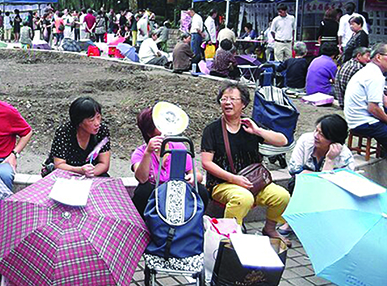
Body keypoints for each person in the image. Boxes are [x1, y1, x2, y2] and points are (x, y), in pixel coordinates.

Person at [201, 82, 291, 243]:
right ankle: (230, 239)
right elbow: (207, 163)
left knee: (282, 196)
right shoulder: (212, 129)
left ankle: (269, 228)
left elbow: (282, 141)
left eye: (233, 99)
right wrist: (234, 179)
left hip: (255, 181)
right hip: (222, 183)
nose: (227, 103)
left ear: (243, 104)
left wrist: (257, 131)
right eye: (224, 99)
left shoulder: (250, 125)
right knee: (243, 198)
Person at [279, 115, 354, 235]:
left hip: (331, 193)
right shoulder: (306, 140)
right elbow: (294, 169)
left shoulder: (344, 156)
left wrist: (329, 160)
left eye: (322, 135)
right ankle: (291, 221)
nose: (316, 136)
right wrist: (319, 177)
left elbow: (337, 186)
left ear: (334, 140)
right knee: (296, 182)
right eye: (316, 130)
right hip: (305, 185)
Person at [130, 106, 208, 216]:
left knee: (201, 190)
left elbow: (196, 174)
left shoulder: (178, 147)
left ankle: (193, 223)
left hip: (177, 191)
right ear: (149, 132)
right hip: (155, 194)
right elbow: (142, 179)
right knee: (143, 191)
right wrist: (148, 153)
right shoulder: (140, 153)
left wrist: (193, 177)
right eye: (159, 125)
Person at [47, 97, 111, 178]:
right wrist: (80, 170)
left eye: (98, 117)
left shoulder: (102, 130)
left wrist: (90, 172)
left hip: (92, 173)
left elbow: (104, 164)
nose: (97, 123)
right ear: (79, 122)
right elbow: (59, 165)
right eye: (91, 120)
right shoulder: (64, 132)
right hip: (67, 173)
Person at [343, 43, 387, 148]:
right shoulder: (375, 76)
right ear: (379, 57)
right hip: (363, 122)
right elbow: (373, 108)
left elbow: (383, 99)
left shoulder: (369, 70)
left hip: (355, 118)